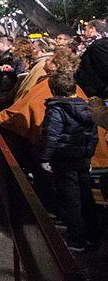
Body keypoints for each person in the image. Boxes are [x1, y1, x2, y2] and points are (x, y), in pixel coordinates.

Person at [39, 70, 100, 252]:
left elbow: (51, 136)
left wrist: (45, 158)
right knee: (85, 195)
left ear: (53, 90)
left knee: (71, 199)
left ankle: (76, 239)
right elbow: (93, 136)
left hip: (64, 159)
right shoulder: (87, 108)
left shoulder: (56, 109)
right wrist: (88, 154)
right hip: (82, 158)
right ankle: (92, 235)